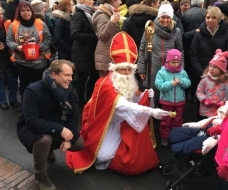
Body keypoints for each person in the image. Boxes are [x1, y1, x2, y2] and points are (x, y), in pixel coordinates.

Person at [66, 32, 170, 175]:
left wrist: (147, 96)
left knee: (134, 152)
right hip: (106, 124)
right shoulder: (107, 84)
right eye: (123, 68)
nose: (126, 72)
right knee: (102, 156)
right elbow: (121, 105)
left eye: (129, 69)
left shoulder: (129, 81)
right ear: (115, 68)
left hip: (125, 119)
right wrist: (150, 111)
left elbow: (134, 99)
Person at [17, 60, 84, 190]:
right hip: (29, 127)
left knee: (79, 143)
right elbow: (31, 121)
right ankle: (41, 177)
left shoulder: (67, 89)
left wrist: (68, 139)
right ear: (54, 74)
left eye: (71, 75)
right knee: (44, 140)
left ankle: (48, 150)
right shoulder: (32, 90)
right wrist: (60, 129)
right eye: (66, 75)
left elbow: (73, 115)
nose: (70, 79)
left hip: (52, 123)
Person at [6, 2, 52, 105]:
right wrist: (17, 47)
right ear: (19, 12)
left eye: (28, 10)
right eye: (23, 11)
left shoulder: (40, 23)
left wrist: (38, 47)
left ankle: (38, 104)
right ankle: (25, 105)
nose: (26, 13)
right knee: (24, 85)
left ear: (32, 12)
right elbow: (9, 40)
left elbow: (48, 38)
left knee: (38, 85)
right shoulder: (14, 25)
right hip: (22, 62)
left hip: (39, 61)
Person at [138, 2, 184, 104]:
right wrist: (141, 68)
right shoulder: (150, 30)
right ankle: (153, 117)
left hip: (169, 69)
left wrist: (181, 69)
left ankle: (164, 117)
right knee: (152, 93)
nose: (165, 20)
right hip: (152, 67)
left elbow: (180, 51)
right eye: (163, 17)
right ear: (159, 17)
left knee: (166, 93)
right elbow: (141, 49)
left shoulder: (176, 32)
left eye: (168, 17)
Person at [190, 6, 228, 88]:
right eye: (208, 17)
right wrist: (202, 72)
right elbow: (193, 56)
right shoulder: (198, 35)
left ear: (219, 19)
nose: (210, 20)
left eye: (213, 18)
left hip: (220, 76)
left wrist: (221, 73)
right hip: (202, 75)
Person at [155, 49, 191, 147]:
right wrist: (170, 84)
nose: (175, 64)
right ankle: (165, 137)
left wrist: (182, 82)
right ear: (167, 61)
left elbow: (188, 83)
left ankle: (176, 136)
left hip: (179, 101)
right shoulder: (162, 73)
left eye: (177, 62)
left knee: (177, 119)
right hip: (167, 101)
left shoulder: (182, 72)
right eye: (173, 62)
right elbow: (158, 85)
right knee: (166, 119)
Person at [70, 0, 99, 109]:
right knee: (82, 78)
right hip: (82, 52)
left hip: (91, 51)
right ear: (82, 2)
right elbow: (75, 34)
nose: (93, 2)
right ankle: (81, 102)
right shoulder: (78, 15)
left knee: (93, 76)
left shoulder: (90, 13)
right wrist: (95, 37)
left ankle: (89, 100)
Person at [181, 0, 206, 102]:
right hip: (202, 48)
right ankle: (197, 94)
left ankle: (186, 94)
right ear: (202, 4)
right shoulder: (206, 13)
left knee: (187, 71)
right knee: (199, 71)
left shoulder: (184, 15)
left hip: (187, 48)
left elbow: (182, 34)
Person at [92, 0, 123, 77]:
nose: (120, 2)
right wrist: (112, 22)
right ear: (113, 0)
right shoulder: (102, 15)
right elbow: (103, 36)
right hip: (105, 57)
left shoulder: (109, 13)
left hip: (109, 55)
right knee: (106, 85)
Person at [196, 49, 228, 120]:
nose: (211, 69)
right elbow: (199, 91)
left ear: (221, 69)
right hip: (205, 111)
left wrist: (224, 102)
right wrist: (204, 99)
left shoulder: (227, 82)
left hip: (220, 111)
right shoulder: (205, 79)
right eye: (210, 66)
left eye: (215, 67)